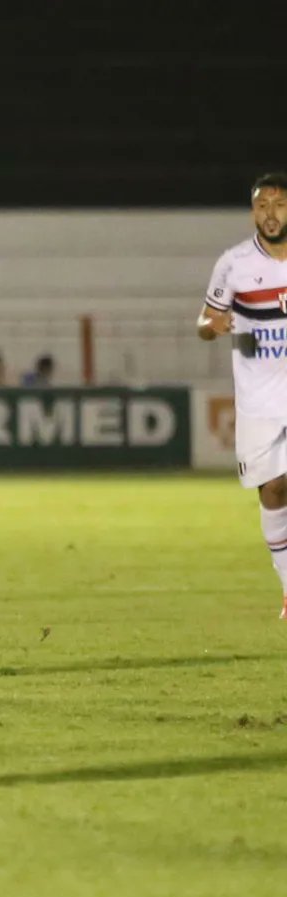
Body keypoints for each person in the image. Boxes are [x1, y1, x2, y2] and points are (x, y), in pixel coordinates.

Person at [196, 171, 287, 618]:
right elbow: (204, 323)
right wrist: (212, 327)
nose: (271, 214)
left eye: (279, 204)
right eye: (262, 206)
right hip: (258, 400)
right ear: (254, 211)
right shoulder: (233, 264)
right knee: (272, 490)